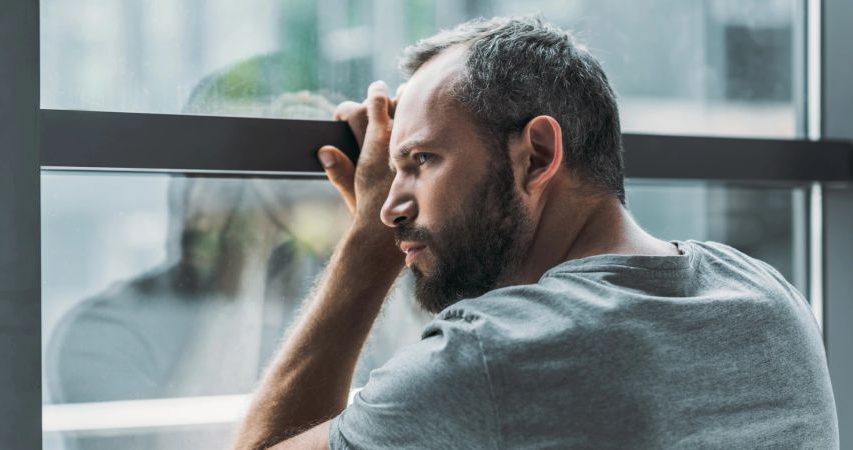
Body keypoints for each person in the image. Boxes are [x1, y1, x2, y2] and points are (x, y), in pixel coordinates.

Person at [232, 16, 838, 449]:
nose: (390, 205)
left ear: (537, 154)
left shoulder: (486, 359)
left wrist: (367, 248)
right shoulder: (764, 294)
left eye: (420, 161)